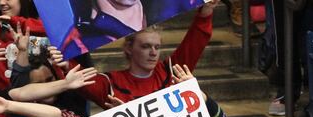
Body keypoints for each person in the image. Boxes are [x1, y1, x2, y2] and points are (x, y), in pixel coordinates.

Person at [78, 0, 219, 108]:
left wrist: (206, 12)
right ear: (128, 48)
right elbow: (73, 77)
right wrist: (59, 59)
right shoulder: (109, 83)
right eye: (145, 46)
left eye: (157, 47)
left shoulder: (172, 72)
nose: (153, 53)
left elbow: (195, 41)